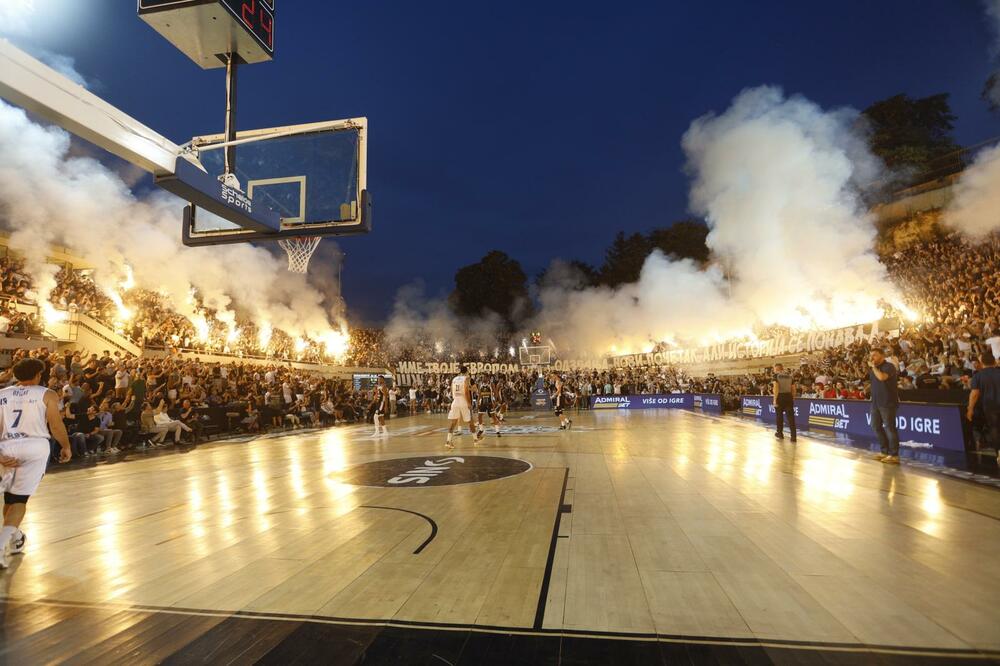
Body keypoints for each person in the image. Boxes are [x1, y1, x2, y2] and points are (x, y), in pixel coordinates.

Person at [0, 358, 72, 568]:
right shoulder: (46, 393)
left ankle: (14, 537)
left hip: (6, 446)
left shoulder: (2, 394)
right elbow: (56, 425)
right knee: (19, 501)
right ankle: (3, 543)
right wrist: (66, 447)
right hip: (35, 446)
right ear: (38, 375)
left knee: (10, 499)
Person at [869, 349, 900, 465]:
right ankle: (884, 452)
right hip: (875, 403)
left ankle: (894, 455)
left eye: (874, 355)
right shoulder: (873, 369)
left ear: (882, 356)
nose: (872, 358)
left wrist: (873, 367)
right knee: (875, 426)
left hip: (887, 402)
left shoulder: (889, 366)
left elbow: (882, 378)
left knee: (890, 428)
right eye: (870, 355)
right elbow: (876, 383)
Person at [968, 352, 1000, 464]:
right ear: (994, 361)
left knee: (995, 429)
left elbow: (974, 394)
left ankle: (999, 453)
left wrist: (970, 409)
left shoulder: (978, 376)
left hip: (990, 406)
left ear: (982, 362)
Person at [445, 366, 475, 449]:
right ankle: (476, 439)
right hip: (463, 400)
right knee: (470, 421)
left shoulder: (454, 379)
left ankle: (448, 441)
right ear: (466, 371)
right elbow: (466, 391)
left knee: (453, 422)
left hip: (455, 401)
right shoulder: (466, 378)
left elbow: (451, 391)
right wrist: (469, 402)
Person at [772, 363, 796, 442]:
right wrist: (793, 397)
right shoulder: (789, 376)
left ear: (777, 369)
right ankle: (793, 436)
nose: (774, 371)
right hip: (789, 396)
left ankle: (780, 433)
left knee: (779, 416)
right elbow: (793, 388)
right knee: (791, 418)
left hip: (780, 397)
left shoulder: (776, 376)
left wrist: (775, 399)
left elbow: (776, 387)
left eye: (774, 369)